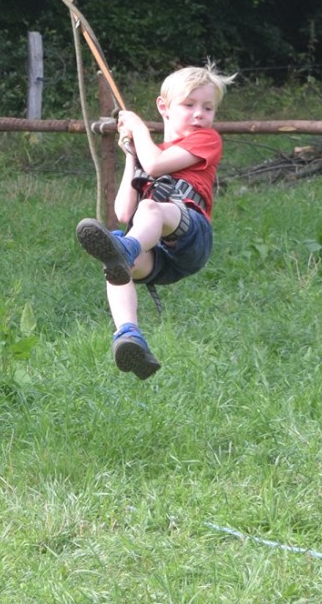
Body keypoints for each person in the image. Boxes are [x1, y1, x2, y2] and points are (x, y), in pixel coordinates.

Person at [74, 63, 235, 379]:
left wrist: (140, 130)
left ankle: (126, 249)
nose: (199, 114)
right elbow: (123, 211)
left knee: (150, 212)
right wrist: (131, 156)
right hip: (158, 253)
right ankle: (129, 334)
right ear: (165, 107)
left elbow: (157, 164)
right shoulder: (150, 152)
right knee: (118, 264)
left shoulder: (206, 140)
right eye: (189, 105)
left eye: (208, 107)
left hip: (193, 237)